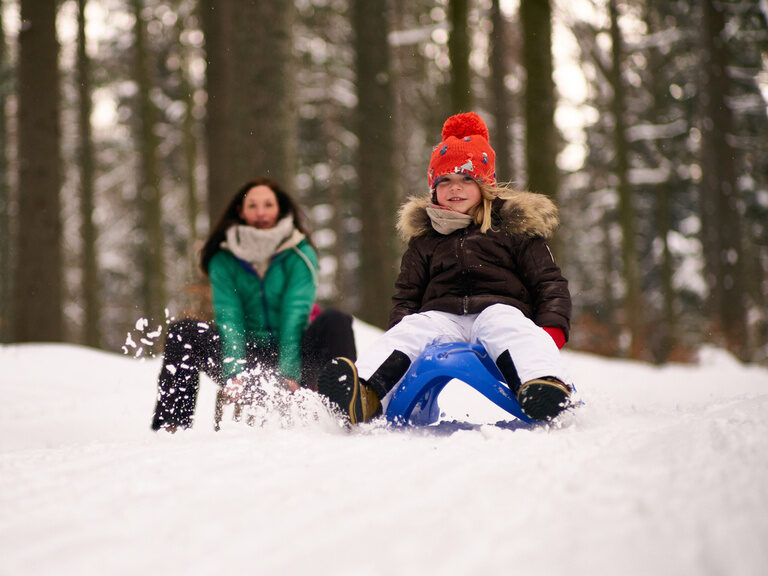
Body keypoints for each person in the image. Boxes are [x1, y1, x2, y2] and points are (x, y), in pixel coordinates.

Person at [317, 112, 573, 424]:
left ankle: (541, 384)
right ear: (434, 189)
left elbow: (549, 283)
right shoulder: (425, 238)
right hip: (443, 317)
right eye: (445, 181)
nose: (455, 188)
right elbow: (406, 294)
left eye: (466, 179)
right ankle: (363, 392)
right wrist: (402, 324)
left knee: (505, 323)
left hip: (498, 308)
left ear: (485, 184)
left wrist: (550, 330)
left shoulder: (511, 227)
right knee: (413, 328)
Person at [151, 177, 356, 431]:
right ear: (241, 211)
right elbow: (229, 317)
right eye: (253, 206)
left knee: (337, 321)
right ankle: (171, 428)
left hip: (296, 352)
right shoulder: (224, 259)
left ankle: (349, 412)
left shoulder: (300, 254)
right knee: (183, 332)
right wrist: (234, 371)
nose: (261, 212)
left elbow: (294, 316)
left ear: (280, 209)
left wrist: (289, 373)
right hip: (245, 353)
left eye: (268, 205)